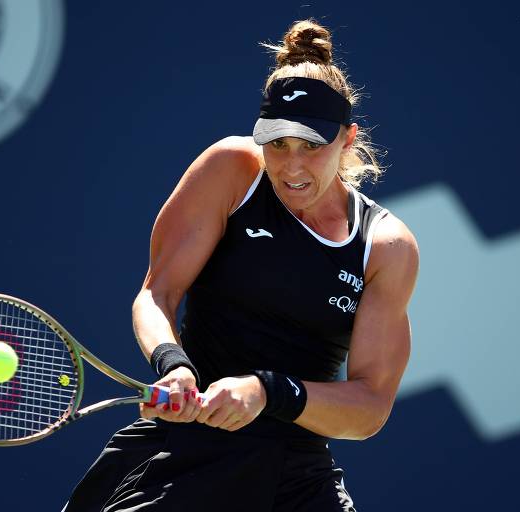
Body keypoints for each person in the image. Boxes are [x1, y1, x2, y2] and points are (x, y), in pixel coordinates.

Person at [63, 19, 418, 512]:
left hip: (295, 475)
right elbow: (157, 293)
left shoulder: (386, 247)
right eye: (277, 144)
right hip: (184, 451)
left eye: (312, 146)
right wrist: (173, 365)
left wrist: (267, 392)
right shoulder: (230, 170)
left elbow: (369, 408)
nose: (291, 167)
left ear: (348, 140)